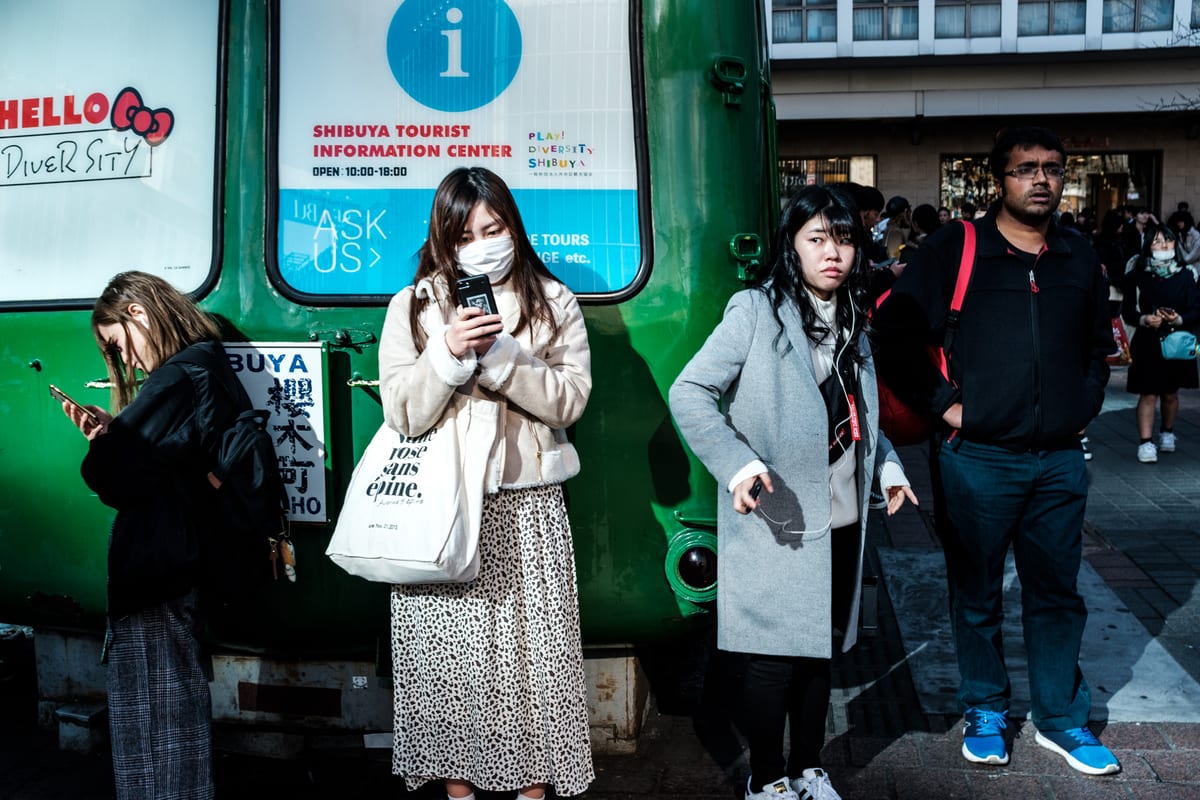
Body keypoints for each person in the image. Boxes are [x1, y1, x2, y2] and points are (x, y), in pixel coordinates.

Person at [874, 126, 1120, 776]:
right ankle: (986, 708)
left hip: (1060, 460)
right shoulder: (958, 248)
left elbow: (1100, 344)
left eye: (1053, 168)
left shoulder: (1078, 255)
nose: (1041, 179)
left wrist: (1083, 402)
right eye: (1025, 169)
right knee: (976, 593)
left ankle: (1063, 721)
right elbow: (892, 331)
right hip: (976, 458)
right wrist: (947, 404)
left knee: (1056, 594)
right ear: (998, 180)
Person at [669, 184, 917, 800]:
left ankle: (808, 766)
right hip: (776, 517)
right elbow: (690, 392)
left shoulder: (855, 319)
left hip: (838, 518)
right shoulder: (756, 310)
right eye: (817, 239)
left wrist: (887, 469)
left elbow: (860, 417)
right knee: (771, 660)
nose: (833, 253)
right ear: (793, 246)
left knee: (819, 654)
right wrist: (738, 464)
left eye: (844, 239)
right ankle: (767, 777)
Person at [377, 166, 594, 800]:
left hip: (527, 507)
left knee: (533, 666)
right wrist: (445, 353)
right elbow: (403, 412)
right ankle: (459, 792)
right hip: (444, 509)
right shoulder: (413, 306)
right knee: (451, 669)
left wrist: (502, 359)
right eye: (465, 234)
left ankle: (531, 791)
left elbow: (570, 401)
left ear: (514, 228)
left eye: (494, 229)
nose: (483, 243)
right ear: (444, 240)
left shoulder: (554, 301)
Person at [62, 271, 247, 799]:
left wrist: (106, 444)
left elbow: (108, 474)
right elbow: (153, 462)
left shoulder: (180, 376)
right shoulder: (205, 365)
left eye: (118, 345)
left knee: (154, 725)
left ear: (139, 313)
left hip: (157, 572)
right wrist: (115, 434)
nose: (127, 363)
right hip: (179, 567)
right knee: (168, 718)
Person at [1121, 224, 1200, 463]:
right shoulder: (1137, 274)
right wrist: (1145, 319)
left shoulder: (1187, 275)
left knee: (1170, 393)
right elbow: (1128, 312)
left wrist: (1179, 318)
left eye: (1167, 241)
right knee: (1148, 393)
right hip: (1148, 341)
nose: (1163, 246)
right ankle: (1146, 443)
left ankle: (1167, 432)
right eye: (1157, 242)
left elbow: (1196, 308)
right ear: (1148, 246)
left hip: (1177, 341)